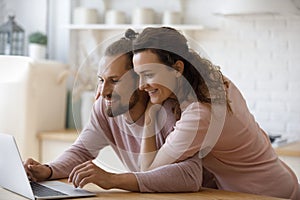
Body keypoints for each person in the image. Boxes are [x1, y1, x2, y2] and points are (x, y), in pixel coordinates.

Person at [23, 31, 216, 192]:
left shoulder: (169, 109)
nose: (104, 91)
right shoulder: (105, 107)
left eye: (114, 81)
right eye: (101, 80)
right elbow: (82, 151)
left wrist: (113, 180)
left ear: (140, 81)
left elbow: (190, 176)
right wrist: (48, 170)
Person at [131, 26, 300, 199]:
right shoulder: (213, 82)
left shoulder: (200, 114)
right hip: (280, 180)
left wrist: (150, 116)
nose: (141, 85)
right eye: (139, 75)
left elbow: (147, 169)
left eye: (149, 74)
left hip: (265, 194)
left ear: (178, 69)